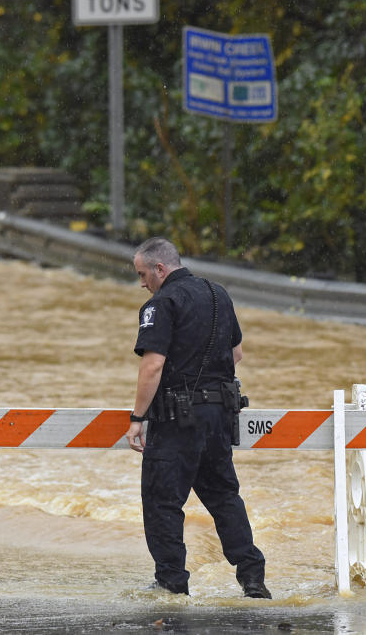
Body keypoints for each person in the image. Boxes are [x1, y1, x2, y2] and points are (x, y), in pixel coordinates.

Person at [125, 237, 270, 599]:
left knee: (163, 502)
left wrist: (137, 417)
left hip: (178, 418)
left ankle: (172, 583)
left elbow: (153, 365)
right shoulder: (218, 293)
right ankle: (252, 579)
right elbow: (236, 353)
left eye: (143, 274)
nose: (142, 283)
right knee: (224, 497)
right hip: (220, 416)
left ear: (160, 269)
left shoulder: (161, 303)